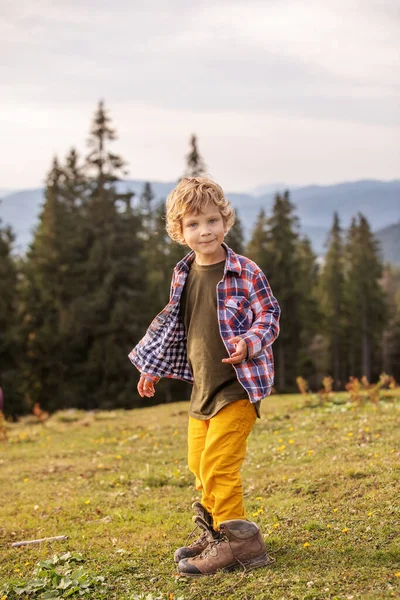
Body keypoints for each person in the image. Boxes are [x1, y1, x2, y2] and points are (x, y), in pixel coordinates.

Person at [129, 176, 280, 576]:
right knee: (199, 467)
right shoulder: (183, 273)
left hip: (239, 388)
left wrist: (249, 341)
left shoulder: (245, 271)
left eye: (212, 220)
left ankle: (244, 546)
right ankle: (215, 535)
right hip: (203, 389)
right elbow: (173, 326)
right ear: (179, 232)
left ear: (225, 222)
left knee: (218, 465)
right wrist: (152, 367)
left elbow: (270, 315)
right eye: (193, 224)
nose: (204, 231)